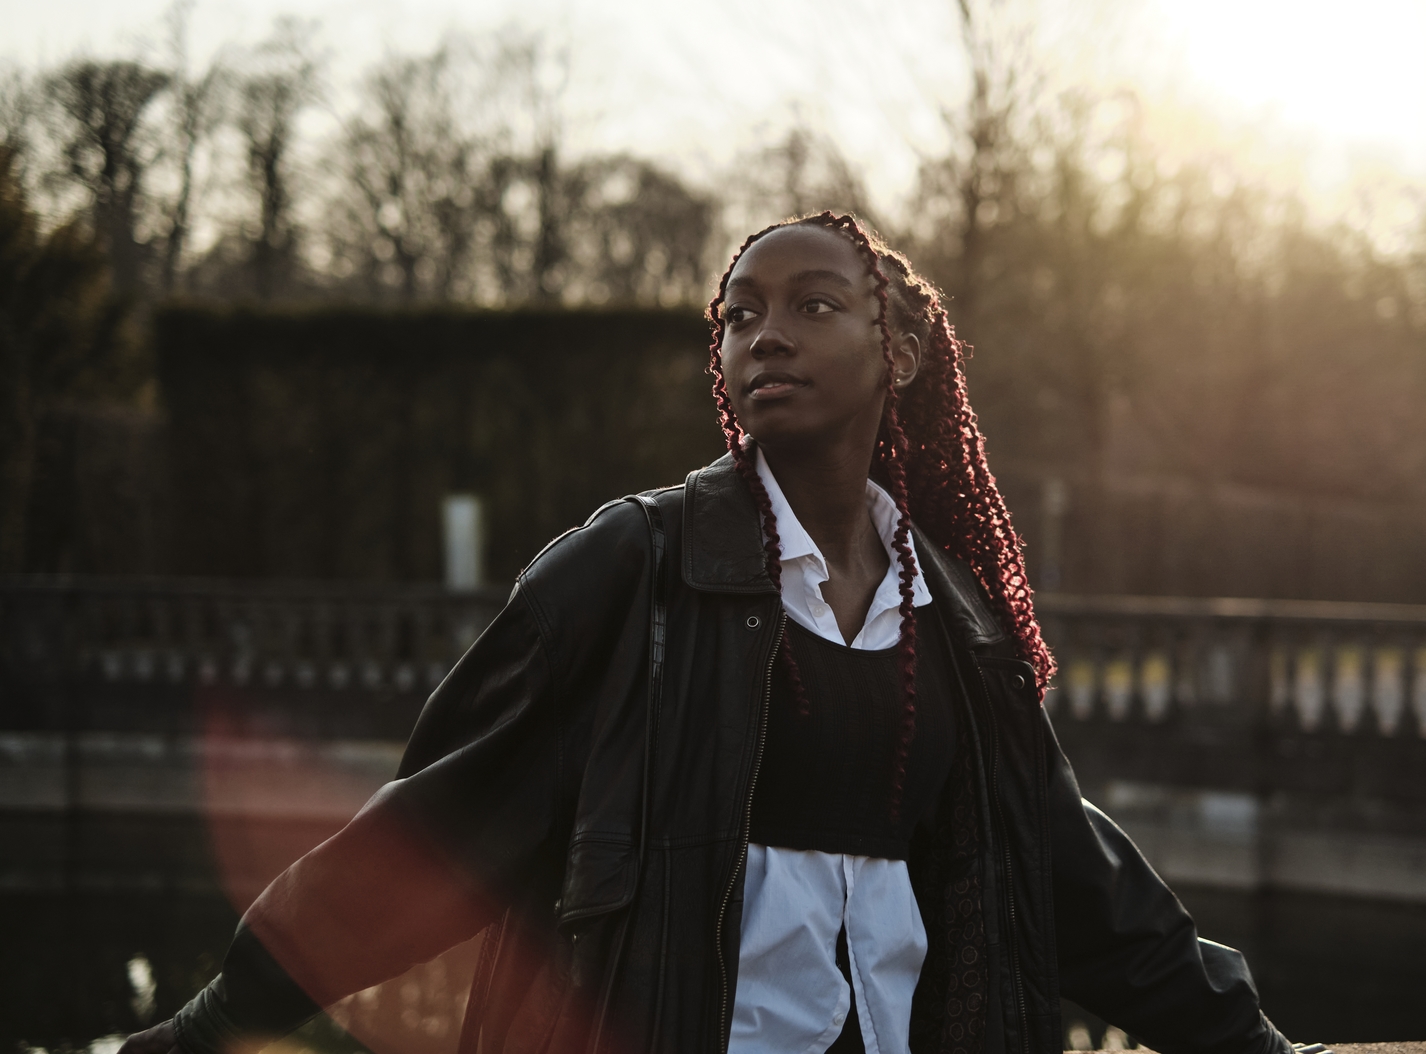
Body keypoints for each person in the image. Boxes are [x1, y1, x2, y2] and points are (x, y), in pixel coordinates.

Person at [119, 212, 1293, 1054]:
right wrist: (216, 1025)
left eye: (812, 306)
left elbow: (1077, 882)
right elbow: (433, 830)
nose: (765, 335)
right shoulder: (634, 564)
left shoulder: (959, 622)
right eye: (740, 317)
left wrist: (1254, 1045)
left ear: (900, 352)